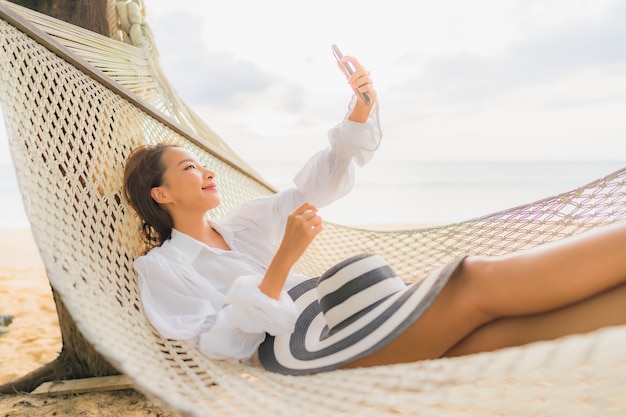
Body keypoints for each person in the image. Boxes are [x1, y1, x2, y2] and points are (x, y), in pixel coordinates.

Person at [124, 54, 626, 375]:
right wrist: (283, 262)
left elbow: (313, 186)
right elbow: (219, 344)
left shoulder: (244, 224)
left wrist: (358, 114)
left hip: (346, 318)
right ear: (161, 195)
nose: (207, 172)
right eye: (190, 167)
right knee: (471, 280)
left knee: (485, 337)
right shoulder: (163, 268)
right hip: (300, 349)